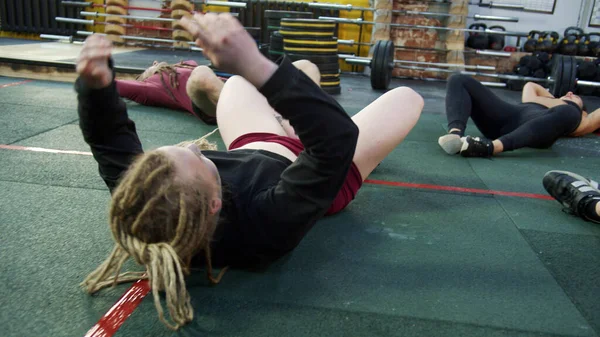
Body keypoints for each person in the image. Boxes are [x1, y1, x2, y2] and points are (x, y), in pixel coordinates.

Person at [75, 13, 423, 330]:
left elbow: (109, 140)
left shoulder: (147, 202)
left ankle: (291, 111)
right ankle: (295, 113)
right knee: (407, 98)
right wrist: (253, 61)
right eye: (198, 157)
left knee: (245, 84)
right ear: (215, 201)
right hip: (322, 167)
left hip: (253, 142)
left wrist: (96, 86)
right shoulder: (265, 221)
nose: (194, 146)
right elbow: (336, 142)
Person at [438, 74, 600, 157]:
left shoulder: (577, 116)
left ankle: (491, 147)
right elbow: (531, 85)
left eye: (576, 97)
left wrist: (570, 105)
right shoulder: (536, 99)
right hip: (508, 117)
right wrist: (556, 99)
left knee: (570, 111)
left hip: (536, 132)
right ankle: (455, 135)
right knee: (458, 79)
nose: (570, 93)